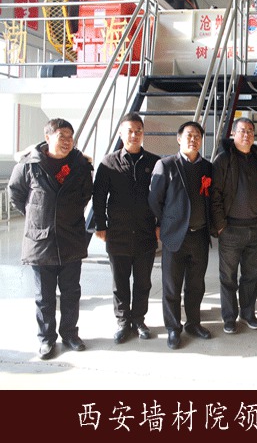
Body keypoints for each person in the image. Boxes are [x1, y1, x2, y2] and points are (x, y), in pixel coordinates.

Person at [8, 118, 93, 360]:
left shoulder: (80, 165)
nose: (67, 141)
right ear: (47, 137)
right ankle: (46, 339)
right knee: (44, 297)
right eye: (61, 136)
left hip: (71, 238)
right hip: (40, 241)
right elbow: (16, 193)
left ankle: (70, 334)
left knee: (71, 293)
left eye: (70, 136)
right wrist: (37, 215)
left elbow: (86, 194)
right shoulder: (29, 164)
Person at [92, 112, 160, 344]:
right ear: (121, 134)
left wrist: (159, 224)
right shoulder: (108, 162)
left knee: (143, 282)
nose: (134, 135)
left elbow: (162, 197)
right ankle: (123, 322)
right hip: (118, 233)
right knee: (120, 283)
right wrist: (100, 225)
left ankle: (139, 320)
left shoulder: (155, 163)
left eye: (138, 131)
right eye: (129, 131)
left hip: (145, 233)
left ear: (143, 133)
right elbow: (99, 197)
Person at [148, 121, 213, 350]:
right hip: (175, 236)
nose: (193, 139)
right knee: (172, 286)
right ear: (179, 139)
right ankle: (173, 328)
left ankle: (193, 323)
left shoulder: (207, 167)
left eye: (197, 136)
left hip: (199, 236)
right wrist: (165, 224)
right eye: (189, 135)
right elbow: (154, 200)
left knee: (196, 285)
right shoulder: (166, 165)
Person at [211, 117, 257, 333]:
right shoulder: (223, 160)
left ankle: (248, 313)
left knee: (251, 275)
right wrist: (220, 225)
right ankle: (229, 317)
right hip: (231, 230)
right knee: (228, 277)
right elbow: (215, 194)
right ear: (233, 134)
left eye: (250, 131)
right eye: (242, 131)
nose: (246, 134)